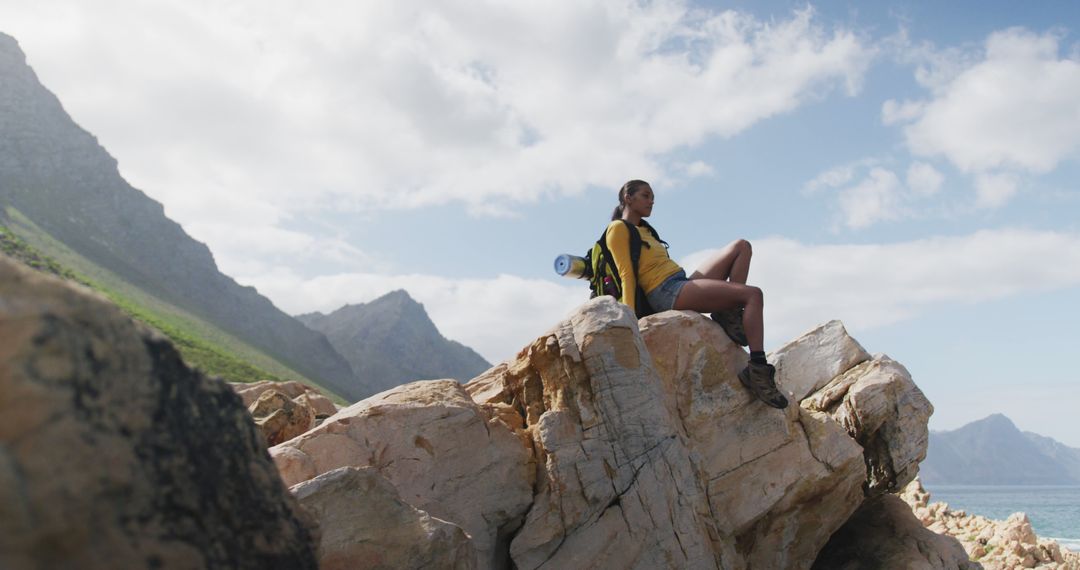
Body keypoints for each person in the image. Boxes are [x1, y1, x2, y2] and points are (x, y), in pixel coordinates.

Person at [606, 179, 788, 409]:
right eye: (645, 195)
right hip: (664, 291)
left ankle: (727, 314)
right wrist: (629, 320)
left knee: (741, 246)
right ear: (627, 198)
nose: (651, 201)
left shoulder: (644, 229)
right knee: (753, 295)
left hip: (679, 281)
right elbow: (626, 274)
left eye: (653, 197)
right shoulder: (617, 229)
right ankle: (758, 369)